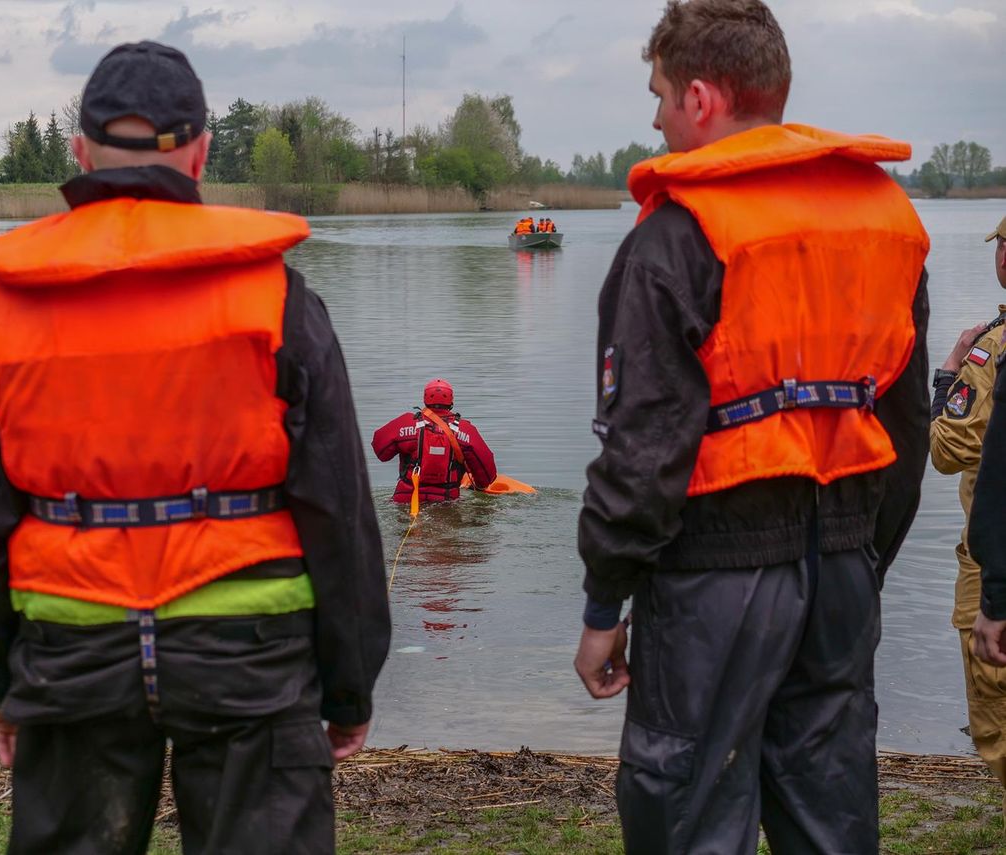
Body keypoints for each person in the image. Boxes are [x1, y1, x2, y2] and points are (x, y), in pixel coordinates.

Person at [0, 40, 390, 854]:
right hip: (248, 651)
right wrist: (349, 683)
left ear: (77, 152)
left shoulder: (4, 306)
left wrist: (3, 682)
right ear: (203, 151)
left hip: (73, 651)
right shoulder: (276, 296)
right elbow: (337, 504)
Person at [572, 2, 930, 853]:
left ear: (701, 98)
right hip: (842, 564)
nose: (655, 117)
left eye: (659, 95)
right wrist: (863, 553)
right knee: (830, 810)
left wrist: (602, 600)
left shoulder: (678, 234)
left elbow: (643, 450)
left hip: (712, 581)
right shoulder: (886, 225)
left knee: (687, 809)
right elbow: (904, 426)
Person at [931, 214, 1006, 809]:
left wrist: (949, 373)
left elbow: (947, 450)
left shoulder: (990, 349)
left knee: (997, 723)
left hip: (994, 565)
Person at [371, 379, 497, 504]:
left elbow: (380, 451)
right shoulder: (466, 430)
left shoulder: (405, 423)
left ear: (425, 399)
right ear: (451, 401)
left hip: (405, 501)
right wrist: (478, 486)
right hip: (447, 503)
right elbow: (487, 475)